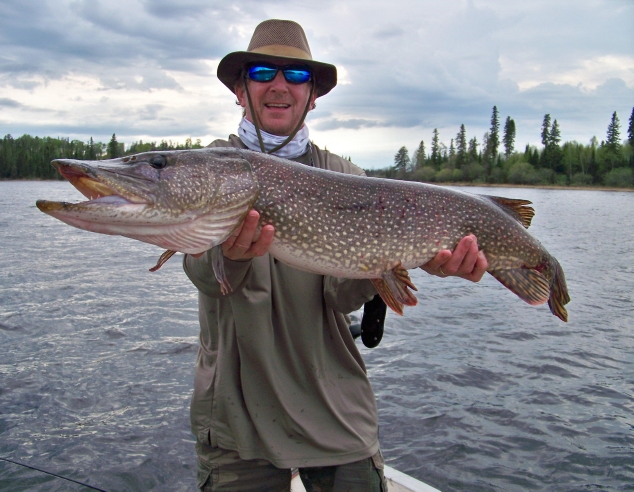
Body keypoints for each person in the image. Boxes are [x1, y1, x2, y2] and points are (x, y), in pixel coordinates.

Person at [183, 19, 488, 492]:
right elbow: (205, 275)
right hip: (236, 417)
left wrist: (408, 256)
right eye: (262, 72)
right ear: (240, 91)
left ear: (312, 96)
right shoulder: (211, 168)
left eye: (296, 75)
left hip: (333, 408)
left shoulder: (347, 177)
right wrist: (231, 256)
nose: (279, 85)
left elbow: (341, 295)